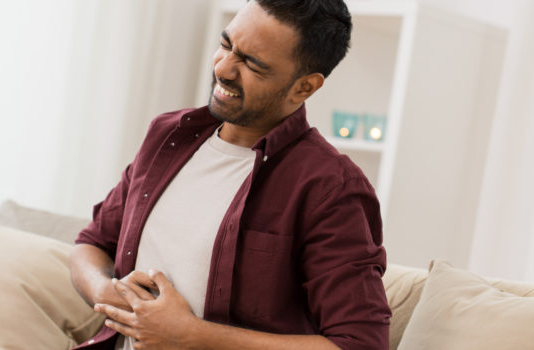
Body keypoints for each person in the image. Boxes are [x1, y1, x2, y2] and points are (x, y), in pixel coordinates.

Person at [70, 0, 391, 349]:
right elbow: (92, 244)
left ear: (305, 87)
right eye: (226, 45)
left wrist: (190, 335)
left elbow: (361, 343)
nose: (223, 68)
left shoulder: (331, 188)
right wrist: (107, 292)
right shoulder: (167, 136)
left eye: (252, 64)